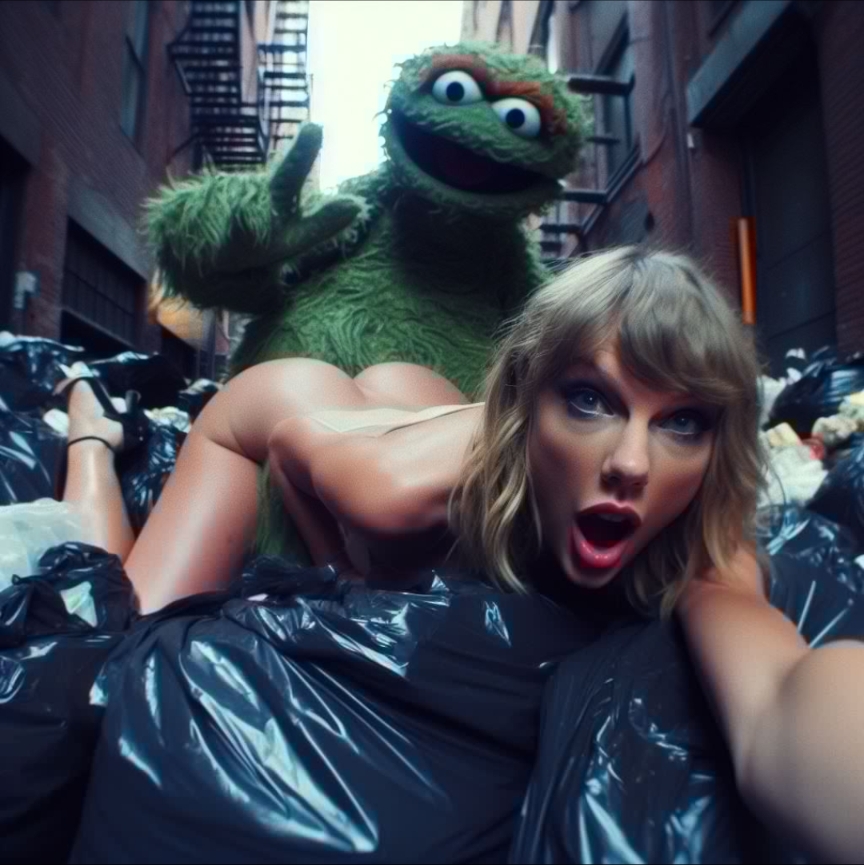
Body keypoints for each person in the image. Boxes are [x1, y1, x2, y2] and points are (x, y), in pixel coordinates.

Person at [56, 246, 862, 862]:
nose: (632, 464)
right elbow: (295, 449)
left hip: (433, 414)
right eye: (591, 399)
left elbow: (776, 697)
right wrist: (350, 585)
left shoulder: (705, 537)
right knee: (112, 636)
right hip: (290, 415)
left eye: (682, 422)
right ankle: (92, 431)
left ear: (718, 443)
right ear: (529, 402)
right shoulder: (394, 487)